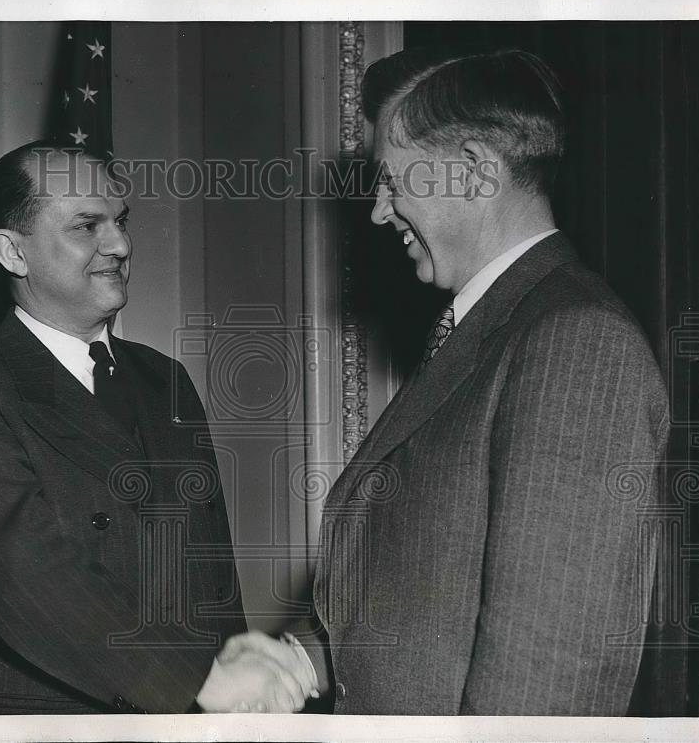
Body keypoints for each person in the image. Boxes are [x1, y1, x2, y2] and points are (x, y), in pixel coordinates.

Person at [231, 46, 669, 715]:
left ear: (470, 174)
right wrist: (301, 660)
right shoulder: (487, 331)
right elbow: (431, 599)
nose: (380, 213)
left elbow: (546, 686)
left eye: (392, 181)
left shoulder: (575, 342)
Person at [0, 141, 315, 714]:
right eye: (86, 227)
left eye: (119, 222)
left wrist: (238, 703)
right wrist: (200, 682)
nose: (119, 245)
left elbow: (210, 573)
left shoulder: (163, 379)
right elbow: (27, 579)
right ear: (13, 252)